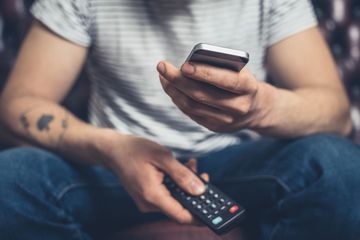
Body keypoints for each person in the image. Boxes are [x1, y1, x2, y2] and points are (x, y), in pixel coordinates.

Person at [0, 0, 359, 239]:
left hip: (233, 166)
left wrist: (261, 109)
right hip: (112, 165)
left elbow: (337, 114)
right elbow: (19, 103)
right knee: (11, 179)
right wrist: (111, 148)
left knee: (337, 166)